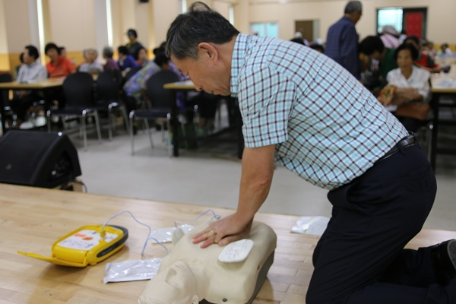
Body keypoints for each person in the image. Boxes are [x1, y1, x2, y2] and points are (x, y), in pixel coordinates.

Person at [165, 3, 455, 303]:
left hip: (387, 187)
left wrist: (240, 218)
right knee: (327, 259)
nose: (196, 85)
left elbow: (258, 175)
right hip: (390, 174)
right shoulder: (265, 52)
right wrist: (245, 217)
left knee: (329, 298)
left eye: (188, 72)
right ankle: (442, 262)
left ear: (208, 52)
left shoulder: (257, 71)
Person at [139, 221, 277, 303]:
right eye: (173, 283)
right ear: (194, 301)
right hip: (258, 230)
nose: (170, 270)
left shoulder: (166, 265)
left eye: (156, 280)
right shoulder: (232, 286)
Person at [383, 43, 431, 132]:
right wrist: (411, 92)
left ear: (413, 59)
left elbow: (424, 95)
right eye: (399, 57)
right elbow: (387, 95)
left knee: (404, 129)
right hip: (395, 109)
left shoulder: (423, 74)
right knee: (386, 126)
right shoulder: (392, 74)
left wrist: (399, 92)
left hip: (414, 112)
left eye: (406, 58)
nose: (402, 61)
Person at [8, 45, 48, 126]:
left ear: (32, 56)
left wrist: (26, 90)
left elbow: (40, 83)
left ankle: (19, 123)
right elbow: (18, 81)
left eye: (25, 54)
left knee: (23, 103)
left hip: (34, 93)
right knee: (11, 102)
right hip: (22, 93)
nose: (23, 56)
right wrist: (20, 90)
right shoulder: (23, 67)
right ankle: (9, 123)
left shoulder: (40, 68)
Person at [324, 1, 362, 79]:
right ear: (356, 12)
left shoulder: (332, 27)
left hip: (330, 71)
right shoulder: (349, 27)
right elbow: (349, 55)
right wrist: (354, 78)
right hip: (343, 75)